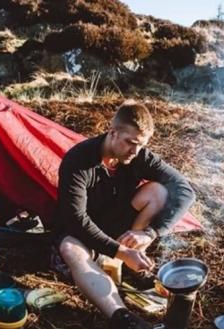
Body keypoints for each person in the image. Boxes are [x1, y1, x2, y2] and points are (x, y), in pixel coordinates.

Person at [54, 102, 195, 328]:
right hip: (81, 233)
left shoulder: (138, 156)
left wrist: (150, 233)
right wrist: (120, 251)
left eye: (141, 145)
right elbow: (76, 220)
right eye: (131, 143)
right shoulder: (78, 161)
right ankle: (122, 317)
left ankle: (132, 263)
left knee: (158, 191)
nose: (135, 151)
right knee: (70, 249)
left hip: (117, 225)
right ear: (113, 132)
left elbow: (185, 190)